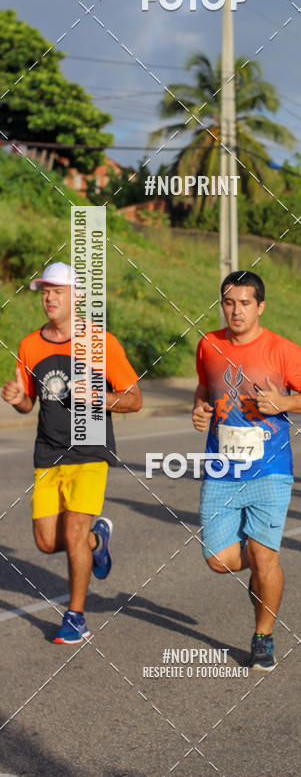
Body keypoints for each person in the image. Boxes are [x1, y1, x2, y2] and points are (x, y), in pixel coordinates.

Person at [192, 271, 301, 671]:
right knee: (218, 560)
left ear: (261, 307)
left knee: (263, 555)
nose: (236, 311)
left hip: (270, 469)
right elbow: (204, 387)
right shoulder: (208, 344)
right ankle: (262, 566)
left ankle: (263, 636)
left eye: (245, 303)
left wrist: (285, 403)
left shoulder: (282, 350)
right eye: (229, 302)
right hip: (221, 467)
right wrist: (199, 409)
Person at [1, 262, 142, 644]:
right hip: (48, 452)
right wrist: (17, 399)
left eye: (57, 291)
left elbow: (134, 399)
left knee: (73, 532)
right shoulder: (30, 345)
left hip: (89, 450)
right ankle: (97, 541)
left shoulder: (101, 342)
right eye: (45, 291)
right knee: (47, 541)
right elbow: (29, 403)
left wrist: (100, 397)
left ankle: (76, 616)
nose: (49, 298)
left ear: (76, 296)